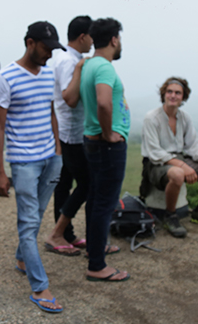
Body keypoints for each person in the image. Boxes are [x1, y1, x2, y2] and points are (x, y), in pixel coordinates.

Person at [0, 21, 66, 313]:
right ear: (30, 43)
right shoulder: (5, 78)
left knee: (38, 214)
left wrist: (58, 150)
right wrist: (0, 172)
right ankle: (39, 287)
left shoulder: (48, 74)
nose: (50, 54)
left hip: (51, 159)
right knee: (29, 223)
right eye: (46, 48)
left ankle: (22, 258)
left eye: (53, 49)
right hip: (23, 162)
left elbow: (51, 112)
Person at [140, 77, 198, 238]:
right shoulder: (151, 118)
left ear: (183, 97)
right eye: (169, 92)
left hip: (179, 159)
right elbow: (155, 152)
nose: (173, 96)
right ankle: (170, 216)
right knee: (177, 174)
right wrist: (182, 166)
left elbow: (193, 145)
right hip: (155, 164)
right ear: (163, 94)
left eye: (177, 93)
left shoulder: (184, 117)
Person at [79, 17, 130, 282]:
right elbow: (103, 103)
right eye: (119, 39)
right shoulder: (104, 68)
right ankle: (97, 266)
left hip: (92, 142)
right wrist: (109, 133)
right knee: (104, 204)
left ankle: (94, 249)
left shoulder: (89, 65)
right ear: (113, 39)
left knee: (96, 199)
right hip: (106, 145)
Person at [43, 16, 94, 256]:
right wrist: (81, 69)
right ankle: (57, 233)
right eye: (91, 36)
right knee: (87, 183)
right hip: (71, 133)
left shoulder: (69, 58)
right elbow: (69, 98)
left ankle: (66, 234)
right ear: (82, 37)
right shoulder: (68, 61)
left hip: (67, 132)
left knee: (64, 184)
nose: (93, 41)